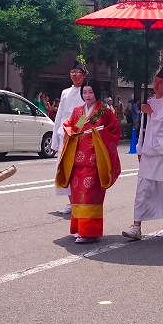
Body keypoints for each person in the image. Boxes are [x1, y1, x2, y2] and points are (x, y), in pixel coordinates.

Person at [122, 64, 163, 240]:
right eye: (155, 81)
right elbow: (143, 128)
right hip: (148, 153)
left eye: (160, 82)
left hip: (162, 154)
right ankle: (136, 226)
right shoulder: (149, 102)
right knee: (142, 190)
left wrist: (151, 113)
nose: (156, 84)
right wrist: (140, 148)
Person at [56, 80, 121, 243]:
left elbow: (115, 131)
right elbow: (73, 127)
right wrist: (70, 131)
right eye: (84, 92)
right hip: (78, 161)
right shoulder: (78, 111)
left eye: (90, 92)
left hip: (95, 160)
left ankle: (89, 232)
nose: (87, 95)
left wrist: (100, 134)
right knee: (79, 196)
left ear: (96, 92)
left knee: (91, 197)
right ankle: (81, 229)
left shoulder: (104, 111)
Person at [51, 57, 87, 215]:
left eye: (77, 72)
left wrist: (77, 129)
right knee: (65, 170)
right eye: (72, 72)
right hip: (64, 134)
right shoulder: (65, 92)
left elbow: (87, 114)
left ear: (84, 75)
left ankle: (80, 202)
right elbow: (59, 115)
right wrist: (55, 139)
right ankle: (71, 202)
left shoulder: (86, 91)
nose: (74, 74)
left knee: (78, 170)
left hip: (79, 135)